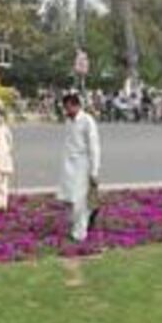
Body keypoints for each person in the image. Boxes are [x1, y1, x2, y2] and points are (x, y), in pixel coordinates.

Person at [58, 93, 101, 242]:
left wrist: (94, 171)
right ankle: (85, 220)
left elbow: (94, 147)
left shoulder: (87, 121)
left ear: (76, 105)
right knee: (69, 199)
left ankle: (79, 234)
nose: (66, 111)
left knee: (80, 201)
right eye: (65, 108)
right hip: (69, 166)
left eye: (68, 107)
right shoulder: (68, 122)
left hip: (83, 165)